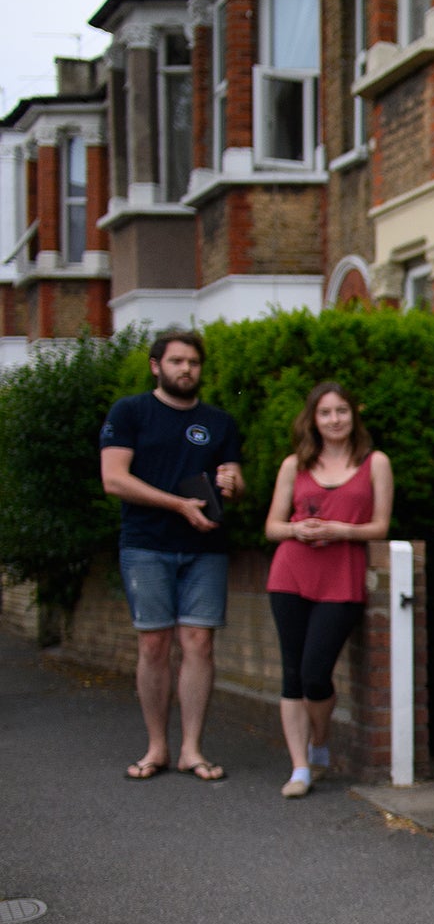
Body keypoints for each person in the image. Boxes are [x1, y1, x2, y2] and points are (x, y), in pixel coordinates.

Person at [98, 330, 245, 782]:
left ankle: (192, 749)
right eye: (177, 361)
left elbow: (236, 481)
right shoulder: (130, 412)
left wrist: (232, 485)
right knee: (154, 643)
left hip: (205, 549)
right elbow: (114, 479)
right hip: (146, 544)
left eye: (194, 362)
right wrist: (177, 504)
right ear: (155, 366)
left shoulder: (220, 422)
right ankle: (157, 746)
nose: (186, 370)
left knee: (199, 643)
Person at [263, 383, 394, 798]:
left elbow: (381, 527)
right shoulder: (294, 465)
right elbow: (272, 527)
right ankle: (300, 767)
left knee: (316, 674)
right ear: (313, 420)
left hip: (341, 574)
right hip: (291, 573)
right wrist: (296, 529)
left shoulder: (375, 463)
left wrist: (342, 530)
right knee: (291, 673)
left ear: (353, 416)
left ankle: (320, 740)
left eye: (341, 411)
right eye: (325, 413)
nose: (334, 419)